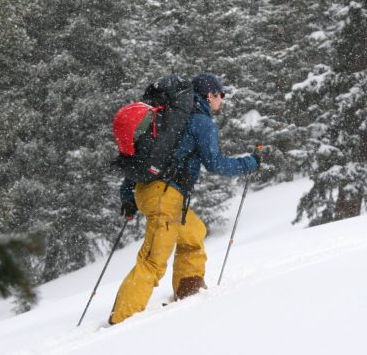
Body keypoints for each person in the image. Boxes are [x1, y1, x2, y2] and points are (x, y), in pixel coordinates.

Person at [109, 72, 260, 325]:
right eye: (220, 94)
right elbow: (215, 164)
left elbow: (147, 160)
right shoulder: (200, 121)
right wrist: (250, 163)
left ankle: (189, 291)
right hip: (165, 197)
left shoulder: (170, 120)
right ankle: (121, 320)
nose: (221, 99)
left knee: (193, 233)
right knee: (153, 260)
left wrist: (128, 196)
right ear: (209, 95)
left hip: (154, 193)